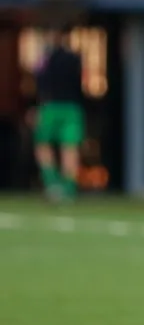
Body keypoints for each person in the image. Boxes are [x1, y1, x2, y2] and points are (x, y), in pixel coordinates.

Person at [33, 26, 84, 201]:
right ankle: (68, 189)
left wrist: (36, 107)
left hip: (51, 107)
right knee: (69, 147)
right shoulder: (75, 59)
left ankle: (53, 184)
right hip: (72, 108)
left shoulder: (45, 59)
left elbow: (39, 82)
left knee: (43, 145)